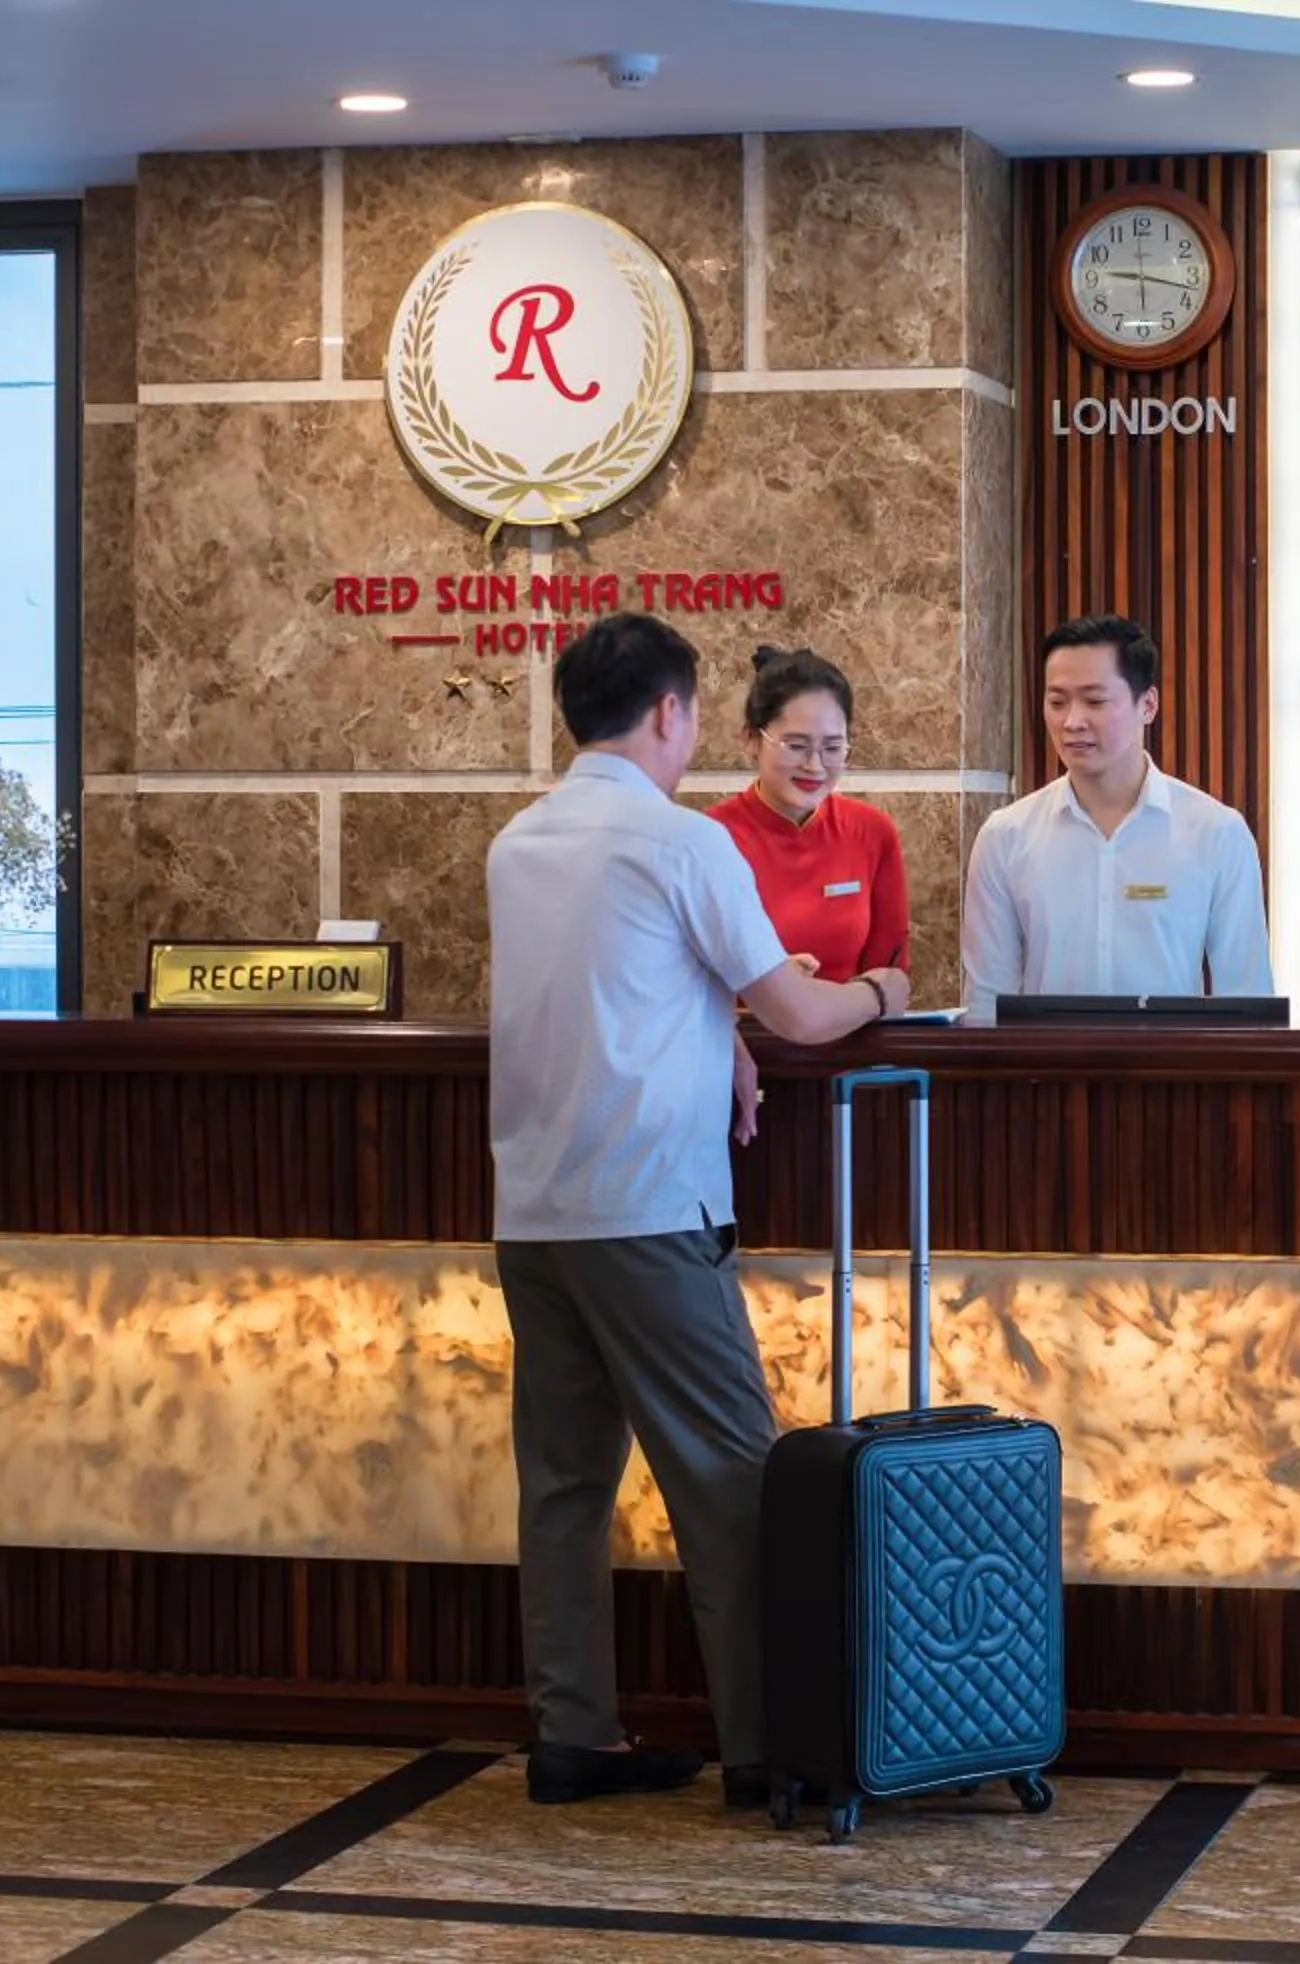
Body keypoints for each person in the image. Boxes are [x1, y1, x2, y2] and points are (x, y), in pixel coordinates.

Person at [487, 612, 908, 1809]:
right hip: (650, 1205)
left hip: (535, 1209)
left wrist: (713, 1028)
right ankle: (768, 1747)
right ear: (672, 713)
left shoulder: (518, 842)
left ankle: (574, 1731)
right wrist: (884, 982)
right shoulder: (681, 843)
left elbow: (614, 990)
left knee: (564, 1485)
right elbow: (805, 1014)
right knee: (729, 1481)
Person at [960, 613, 1274, 1021]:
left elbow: (1247, 999)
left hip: (1172, 1078)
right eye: (1057, 702)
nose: (1072, 721)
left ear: (1148, 704)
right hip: (1044, 1079)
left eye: (1094, 701)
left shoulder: (1216, 833)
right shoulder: (1006, 836)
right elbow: (986, 1002)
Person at [707, 646, 910, 986]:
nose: (814, 766)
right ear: (752, 739)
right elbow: (686, 985)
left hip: (852, 1032)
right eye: (796, 745)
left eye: (832, 748)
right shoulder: (711, 839)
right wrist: (769, 985)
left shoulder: (872, 832)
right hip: (739, 1037)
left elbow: (891, 975)